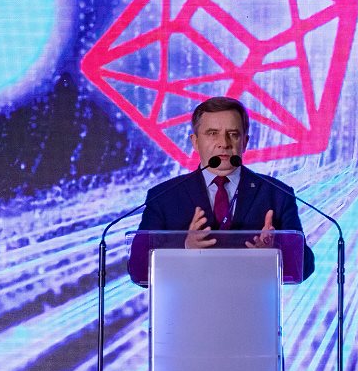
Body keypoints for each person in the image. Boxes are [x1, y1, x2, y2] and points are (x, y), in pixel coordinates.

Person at [128, 96, 315, 284]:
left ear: (245, 142)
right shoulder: (164, 197)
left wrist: (274, 253)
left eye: (233, 134)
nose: (224, 143)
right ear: (195, 141)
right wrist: (184, 247)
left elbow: (304, 267)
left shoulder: (277, 194)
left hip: (251, 301)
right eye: (212, 133)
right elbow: (137, 270)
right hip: (187, 301)